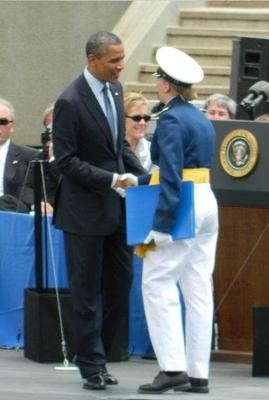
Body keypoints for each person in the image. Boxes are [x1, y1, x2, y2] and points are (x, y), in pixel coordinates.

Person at [52, 31, 145, 391]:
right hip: (83, 214)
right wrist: (111, 180)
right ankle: (91, 364)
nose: (121, 66)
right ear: (92, 59)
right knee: (87, 291)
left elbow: (118, 143)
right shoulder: (70, 101)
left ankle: (96, 352)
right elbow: (66, 161)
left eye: (122, 59)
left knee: (121, 283)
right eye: (114, 60)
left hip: (116, 211)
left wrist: (139, 173)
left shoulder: (116, 91)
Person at [137, 46, 219, 394]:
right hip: (205, 199)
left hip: (181, 203)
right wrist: (138, 182)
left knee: (157, 282)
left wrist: (160, 226)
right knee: (198, 286)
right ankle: (198, 372)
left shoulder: (170, 119)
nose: (156, 82)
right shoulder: (199, 117)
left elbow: (170, 177)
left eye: (158, 78)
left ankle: (172, 367)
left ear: (167, 85)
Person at [0, 97, 38, 212]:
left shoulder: (29, 156)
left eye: (3, 122)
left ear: (12, 127)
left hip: (9, 214)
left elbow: (28, 197)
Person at [124, 92, 155, 172]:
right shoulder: (109, 151)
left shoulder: (154, 152)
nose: (143, 123)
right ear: (121, 118)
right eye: (137, 118)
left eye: (146, 118)